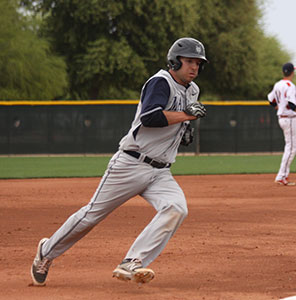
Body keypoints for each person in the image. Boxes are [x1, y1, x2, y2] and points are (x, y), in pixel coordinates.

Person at [31, 37, 208, 286]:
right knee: (91, 216)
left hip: (160, 171)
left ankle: (133, 261)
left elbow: (181, 119)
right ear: (174, 61)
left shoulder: (193, 90)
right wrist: (186, 115)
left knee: (176, 208)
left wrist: (185, 126)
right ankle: (46, 252)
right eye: (189, 61)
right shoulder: (161, 82)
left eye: (198, 63)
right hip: (130, 164)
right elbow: (149, 117)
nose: (194, 68)